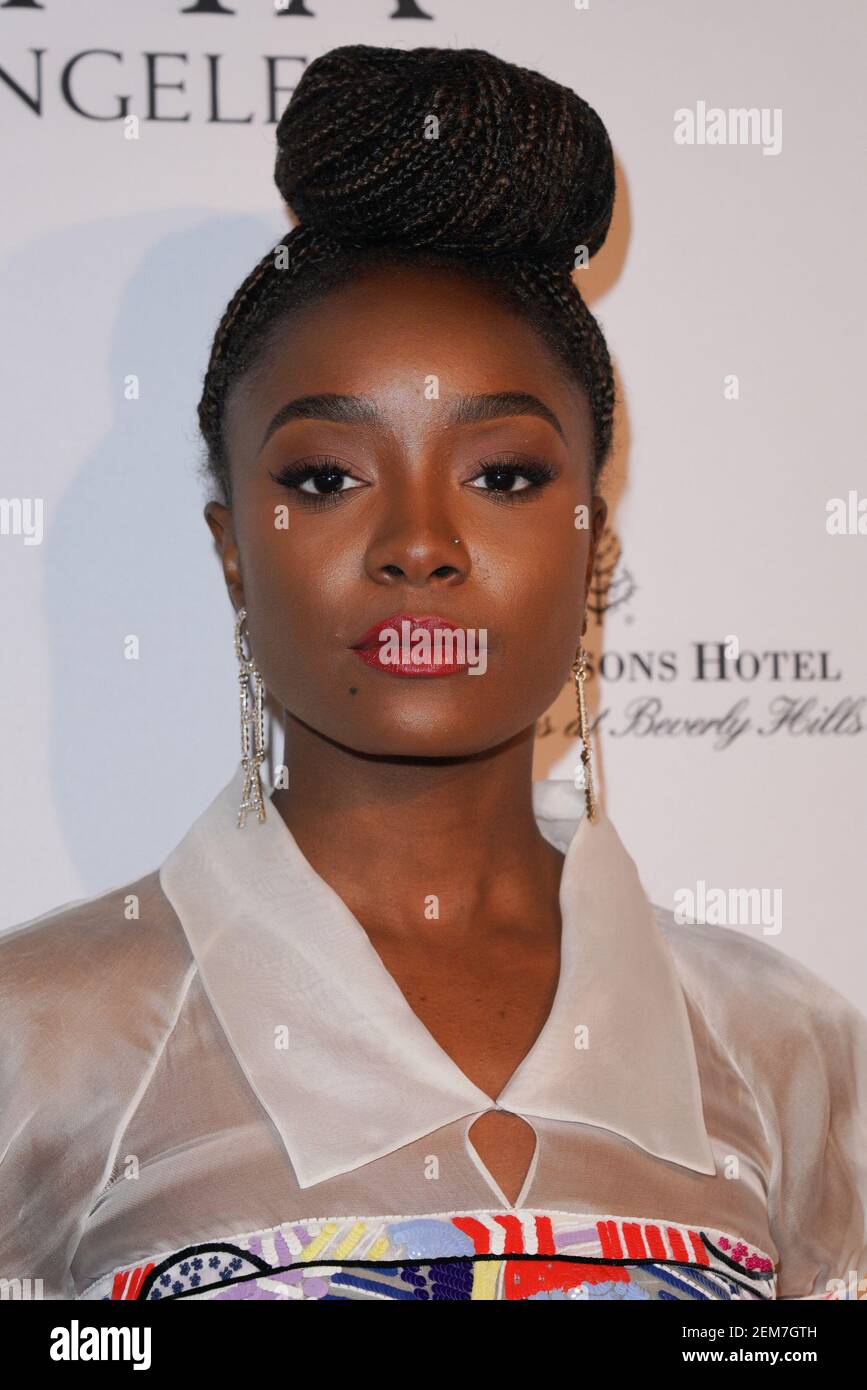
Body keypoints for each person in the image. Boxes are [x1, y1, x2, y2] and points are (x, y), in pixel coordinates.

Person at [1, 43, 865, 1304]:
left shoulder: (788, 1049)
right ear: (233, 552)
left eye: (505, 477)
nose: (418, 543)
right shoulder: (43, 1040)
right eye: (325, 478)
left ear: (595, 544)